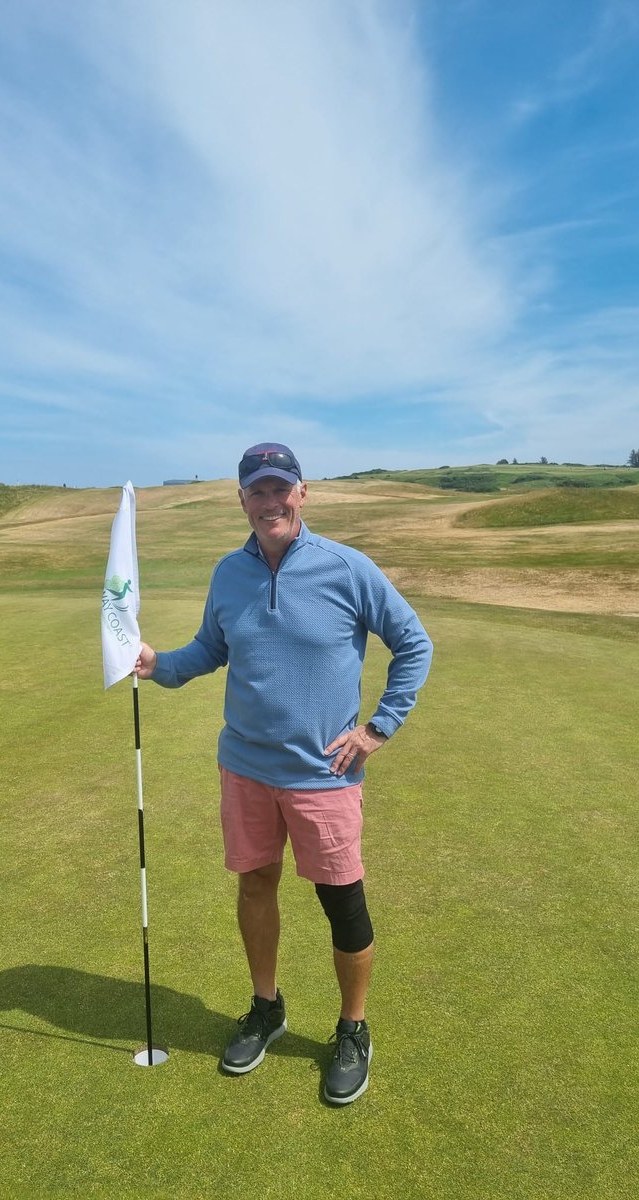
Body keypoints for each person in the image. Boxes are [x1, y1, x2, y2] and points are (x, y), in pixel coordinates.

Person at [134, 442, 432, 1104]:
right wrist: (160, 665)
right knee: (254, 884)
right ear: (241, 501)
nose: (270, 502)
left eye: (281, 489)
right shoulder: (228, 574)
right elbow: (210, 650)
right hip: (244, 767)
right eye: (257, 491)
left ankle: (353, 1029)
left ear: (302, 494)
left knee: (342, 903)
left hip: (322, 775)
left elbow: (413, 643)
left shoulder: (347, 569)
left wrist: (378, 727)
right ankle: (266, 1007)